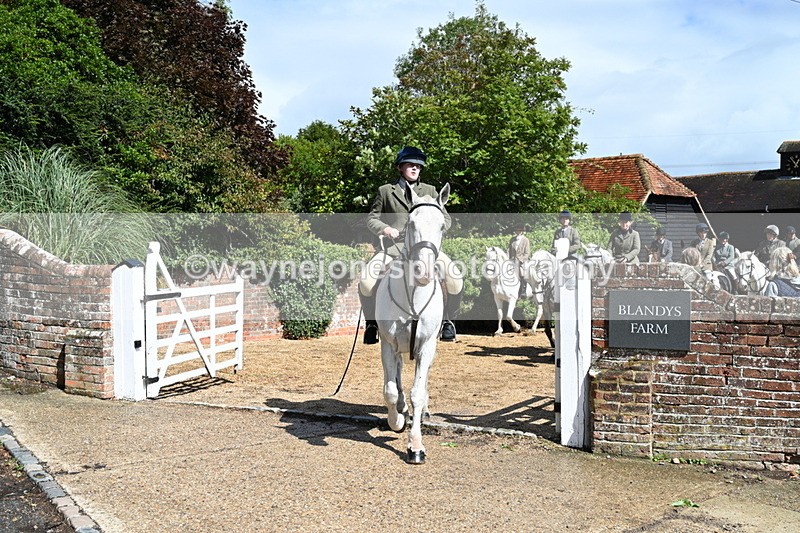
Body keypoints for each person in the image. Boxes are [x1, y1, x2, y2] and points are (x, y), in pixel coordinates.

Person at [359, 146, 463, 344]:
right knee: (366, 281)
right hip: (393, 248)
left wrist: (434, 229)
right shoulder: (386, 191)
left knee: (455, 278)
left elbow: (446, 220)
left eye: (418, 166)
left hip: (425, 248)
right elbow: (371, 218)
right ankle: (372, 324)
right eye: (411, 165)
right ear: (400, 167)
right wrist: (385, 229)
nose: (415, 169)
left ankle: (449, 321)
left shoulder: (431, 191)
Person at [508, 223, 531, 298]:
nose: (517, 232)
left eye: (519, 230)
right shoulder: (512, 239)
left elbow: (527, 253)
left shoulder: (525, 240)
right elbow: (509, 250)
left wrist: (520, 260)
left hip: (522, 261)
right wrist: (508, 259)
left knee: (522, 272)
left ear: (522, 231)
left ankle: (523, 291)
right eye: (516, 230)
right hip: (512, 260)